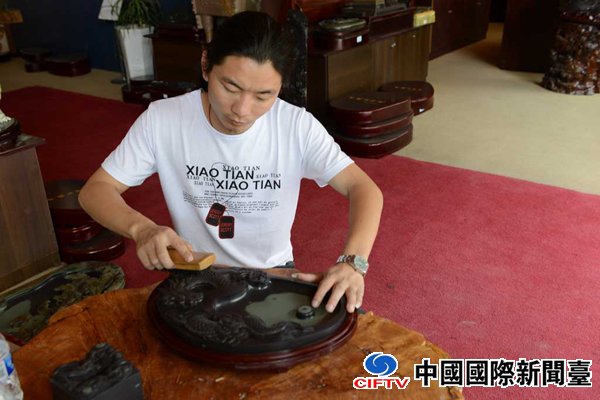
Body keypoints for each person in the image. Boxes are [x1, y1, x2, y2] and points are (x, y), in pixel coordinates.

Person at [79, 11, 383, 314]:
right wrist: (141, 229)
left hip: (274, 274)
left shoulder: (296, 127)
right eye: (230, 88)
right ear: (206, 65)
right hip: (196, 274)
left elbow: (363, 188)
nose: (242, 110)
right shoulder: (163, 120)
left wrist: (352, 263)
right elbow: (96, 190)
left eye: (263, 96)